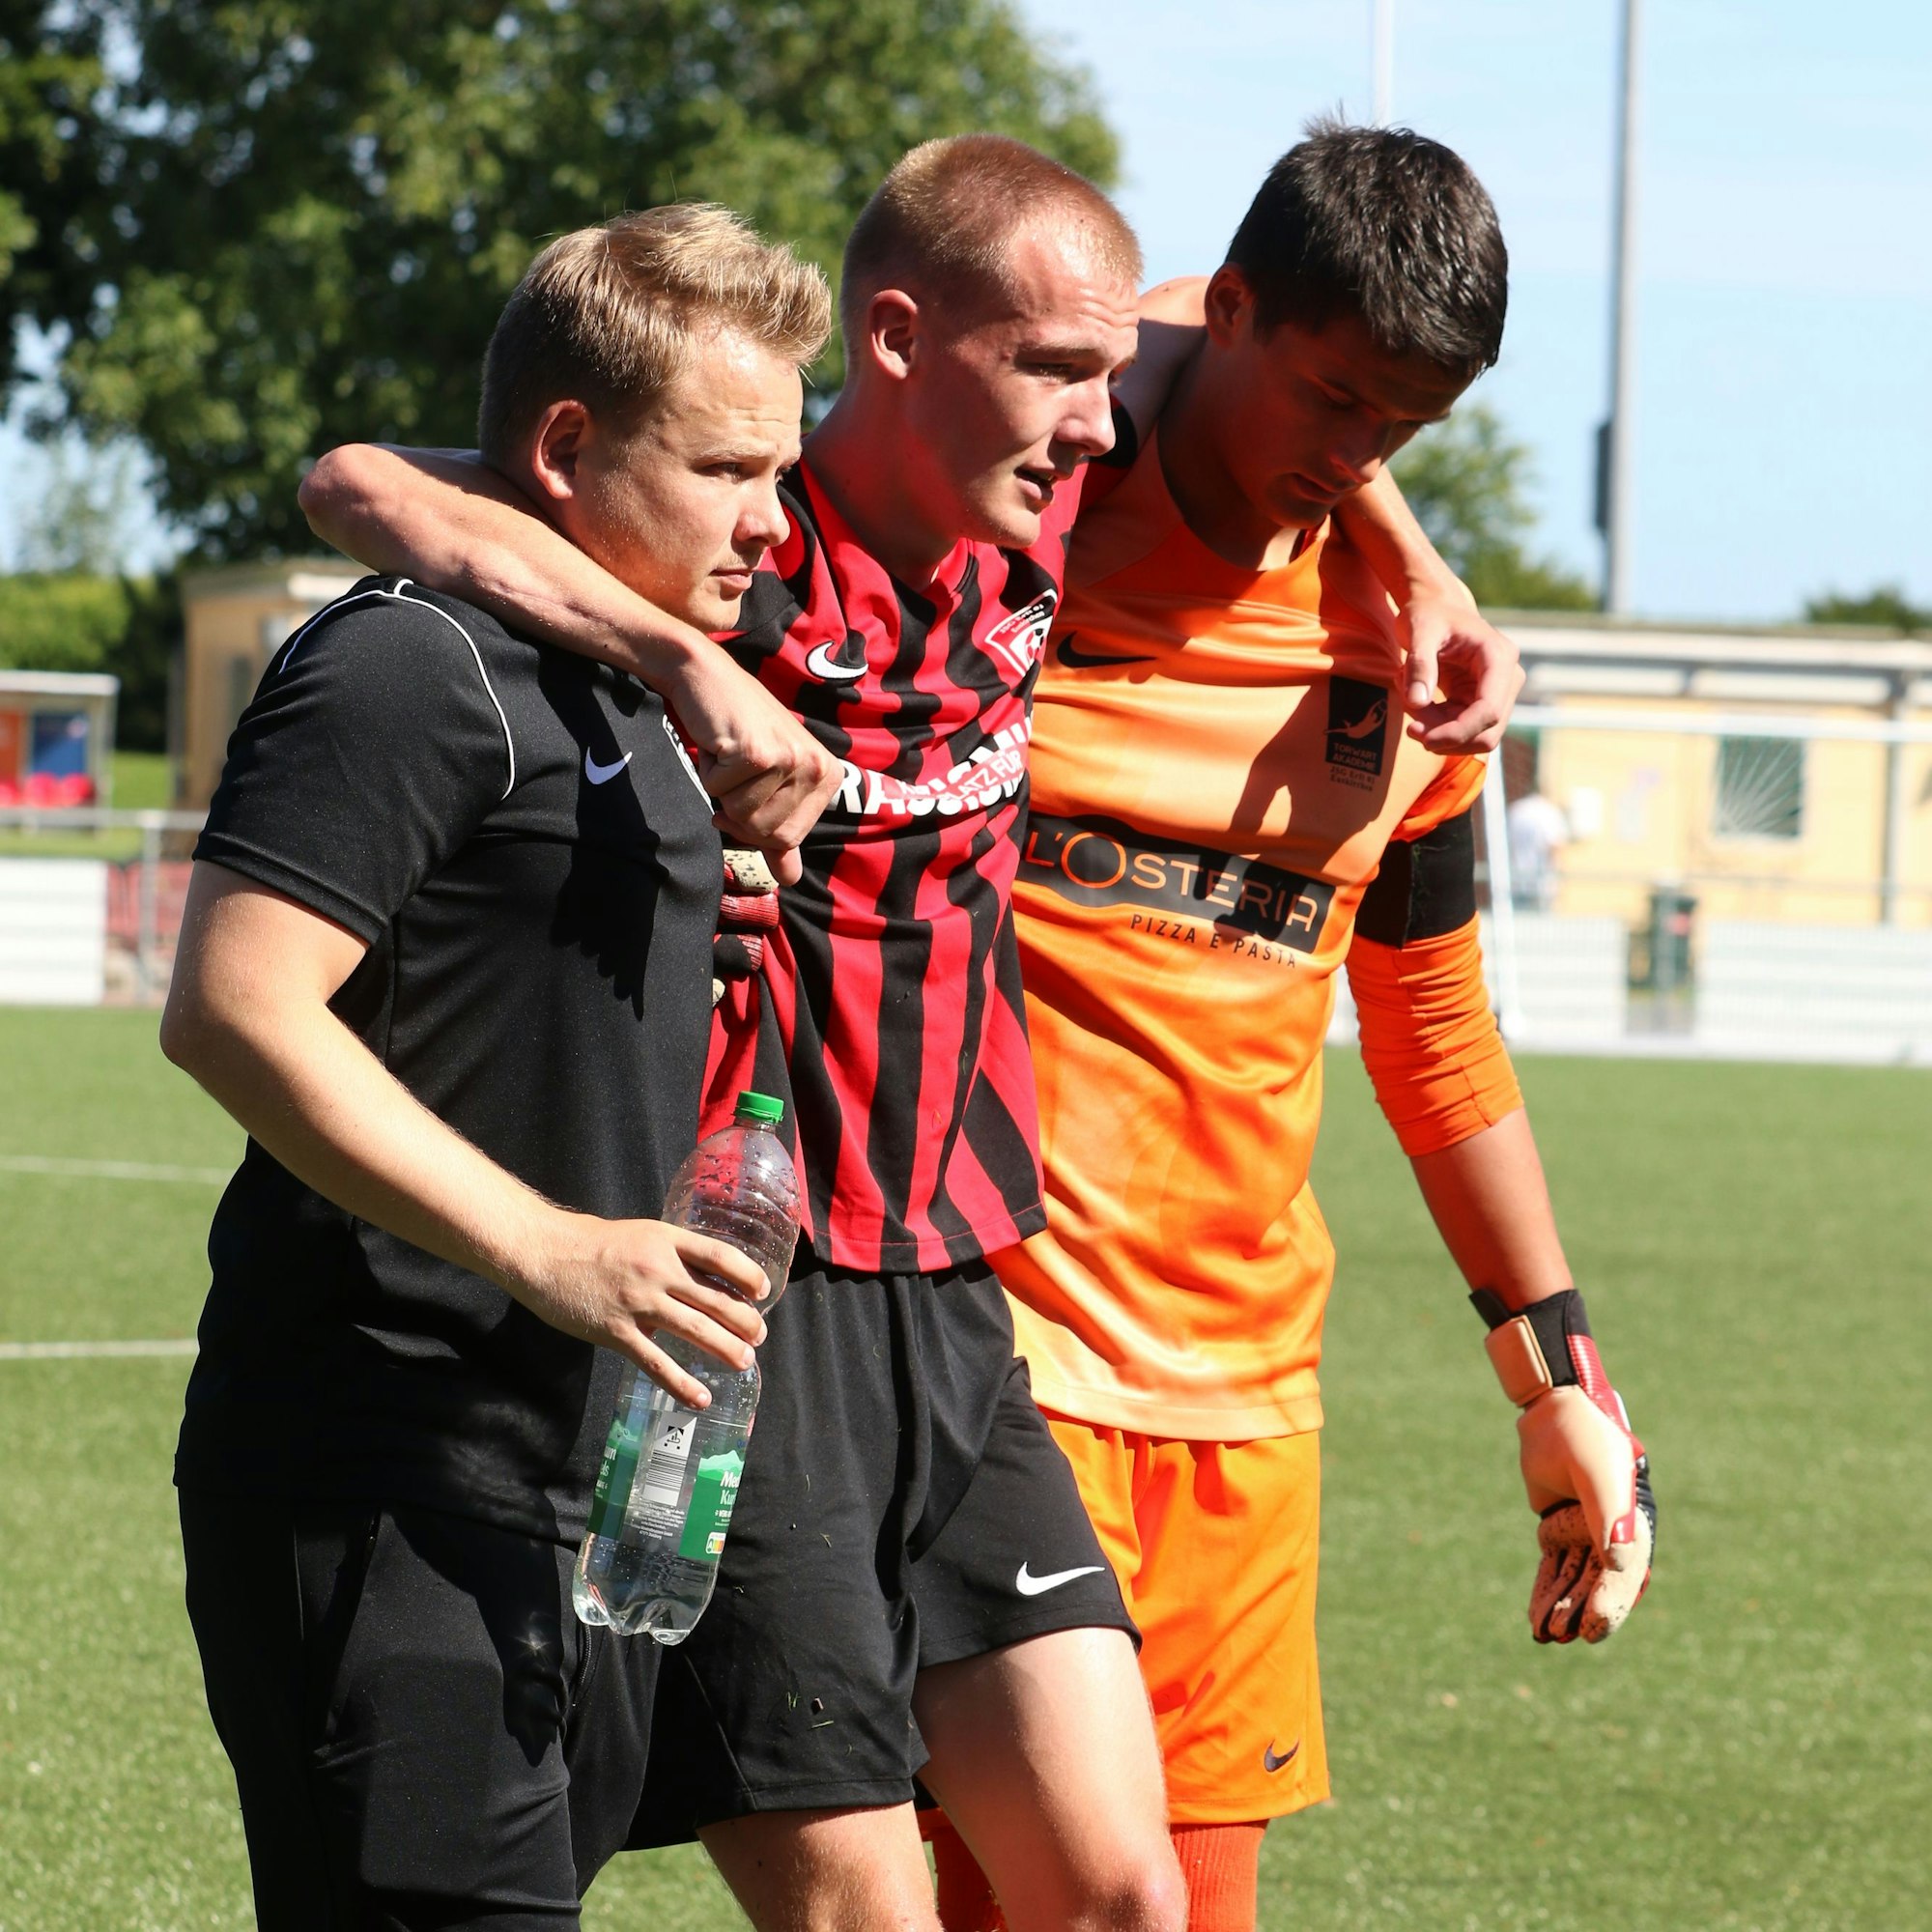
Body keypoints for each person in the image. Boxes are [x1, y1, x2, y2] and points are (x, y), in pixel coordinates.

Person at [298, 135, 1520, 1932]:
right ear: (891, 343)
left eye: (1106, 384)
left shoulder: (1042, 530)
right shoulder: (743, 553)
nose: (1103, 425)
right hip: (757, 1308)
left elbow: (1204, 315)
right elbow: (357, 479)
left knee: (1121, 1896)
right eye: (1056, 378)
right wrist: (681, 659)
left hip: (957, 1308)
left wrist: (1406, 542)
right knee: (865, 1915)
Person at [924, 123, 1657, 1932]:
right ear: (1230, 313)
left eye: (1402, 436)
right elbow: (1122, 305)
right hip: (984, 1372)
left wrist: (1554, 1378)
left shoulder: (1408, 661)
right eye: (1328, 401)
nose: (1350, 467)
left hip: (1245, 1411)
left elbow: (1437, 1038)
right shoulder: (1014, 524)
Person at [159, 205, 832, 1928]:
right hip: (381, 1470)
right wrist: (550, 1248)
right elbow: (234, 1006)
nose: (776, 517)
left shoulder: (614, 685)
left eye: (785, 464)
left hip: (570, 1491)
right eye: (730, 466)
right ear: (562, 448)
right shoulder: (410, 663)